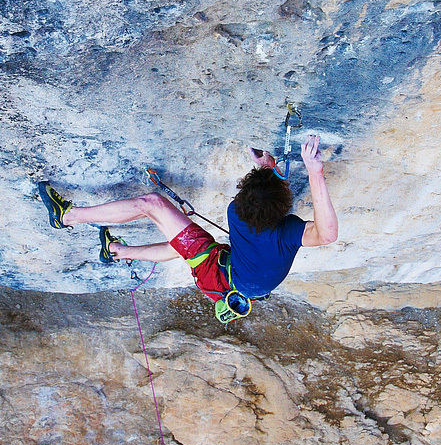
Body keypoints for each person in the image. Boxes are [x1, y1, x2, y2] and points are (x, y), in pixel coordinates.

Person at [38, 135, 338, 319]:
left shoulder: (236, 212)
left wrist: (277, 167)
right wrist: (310, 172)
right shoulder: (288, 233)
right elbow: (325, 233)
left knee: (153, 204)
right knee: (182, 245)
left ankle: (67, 217)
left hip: (222, 275)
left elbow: (271, 199)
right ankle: (116, 250)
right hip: (242, 281)